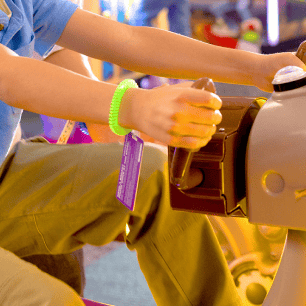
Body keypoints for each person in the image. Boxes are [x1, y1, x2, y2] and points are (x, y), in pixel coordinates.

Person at [0, 0, 305, 305]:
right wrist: (132, 106)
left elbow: (127, 40)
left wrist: (256, 67)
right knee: (48, 298)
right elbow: (8, 75)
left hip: (7, 169)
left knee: (156, 175)